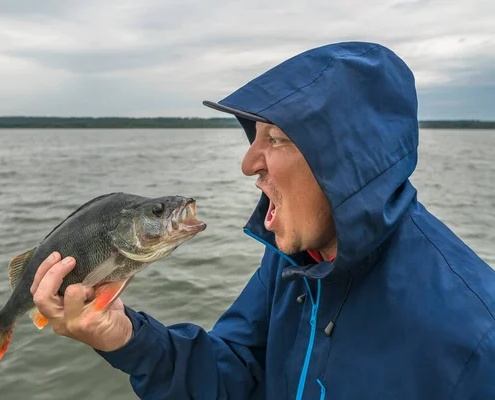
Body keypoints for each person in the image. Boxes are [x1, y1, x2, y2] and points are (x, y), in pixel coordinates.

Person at [31, 42, 495, 399]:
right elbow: (232, 375)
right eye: (255, 134)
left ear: (347, 161)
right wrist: (126, 337)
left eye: (275, 138)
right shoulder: (294, 262)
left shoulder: (474, 335)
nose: (248, 162)